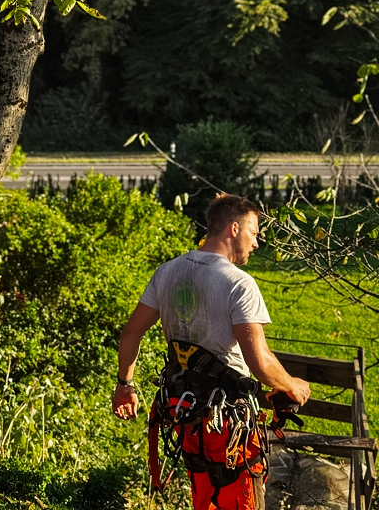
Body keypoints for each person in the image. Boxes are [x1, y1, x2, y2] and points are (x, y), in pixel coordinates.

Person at [112, 193, 310, 510]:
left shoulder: (168, 271)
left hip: (187, 415)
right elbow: (259, 361)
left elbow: (131, 332)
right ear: (234, 228)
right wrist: (292, 385)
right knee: (240, 499)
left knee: (205, 499)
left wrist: (125, 385)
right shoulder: (239, 284)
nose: (256, 243)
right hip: (227, 424)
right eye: (254, 233)